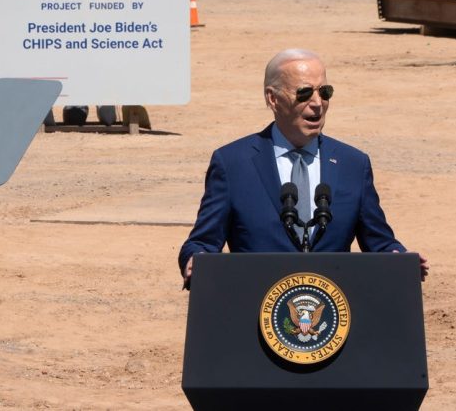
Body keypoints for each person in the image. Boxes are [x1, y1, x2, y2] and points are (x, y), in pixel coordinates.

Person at [179, 48, 428, 287]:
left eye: (325, 92)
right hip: (256, 304)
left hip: (333, 307)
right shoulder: (233, 164)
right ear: (273, 98)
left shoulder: (353, 164)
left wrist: (399, 258)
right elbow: (202, 242)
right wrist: (195, 260)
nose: (317, 103)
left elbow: (379, 242)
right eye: (304, 93)